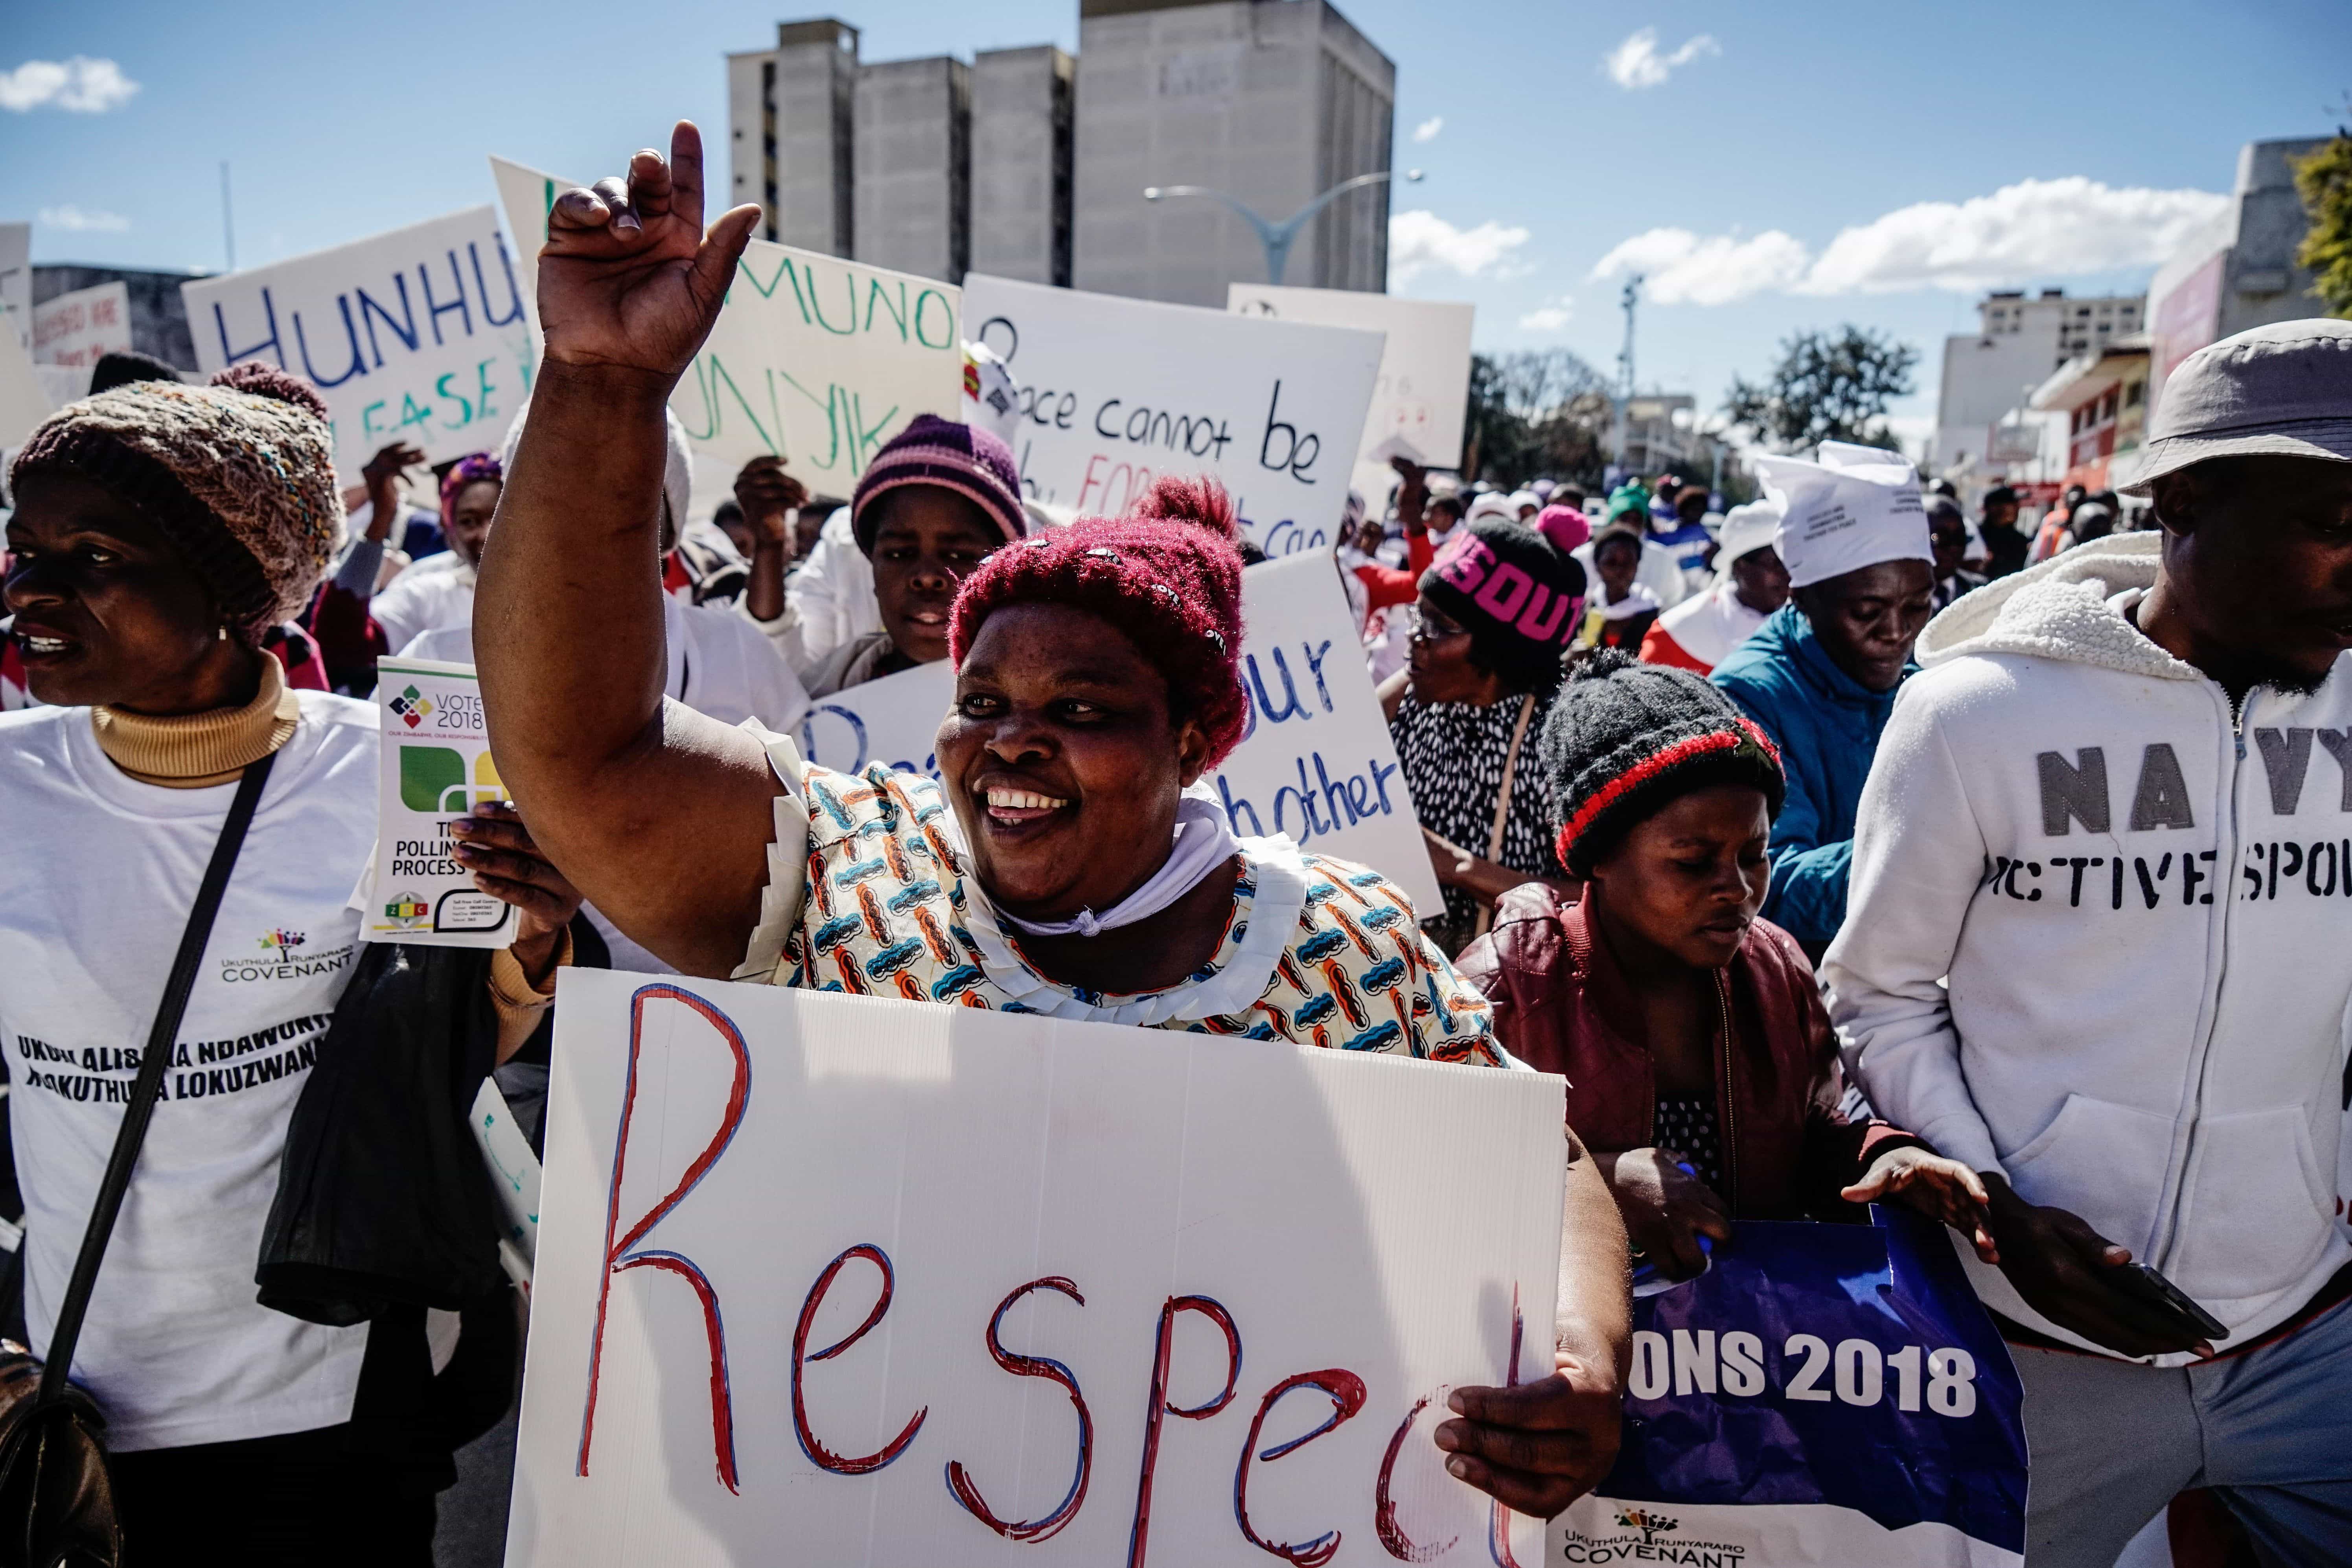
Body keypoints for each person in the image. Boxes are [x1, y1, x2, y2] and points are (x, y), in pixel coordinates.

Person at [471, 128, 1634, 1521]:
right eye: (980, 696)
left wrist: (1583, 1350)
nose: (1009, 736)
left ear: (1196, 741)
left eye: (1081, 704)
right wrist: (602, 390)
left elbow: (1540, 1154)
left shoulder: (1336, 943)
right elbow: (584, 755)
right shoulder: (849, 865)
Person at [1, 365, 579, 1562]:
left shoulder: (391, 772)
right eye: (22, 547)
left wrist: (529, 942)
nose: (30, 587)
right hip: (71, 1405)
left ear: (228, 591)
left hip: (330, 1408)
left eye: (94, 556)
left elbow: (460, 1048)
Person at [1824, 318, 2352, 1568]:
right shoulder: (1973, 714)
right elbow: (1878, 996)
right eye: (2333, 518)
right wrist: (1994, 1205)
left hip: (2311, 1339)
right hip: (2035, 1354)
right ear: (2181, 499)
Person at [1457, 652, 1995, 1277]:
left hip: (1741, 1355)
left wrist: (1881, 1160)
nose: (1736, 888)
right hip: (1571, 1355)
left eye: (1755, 854)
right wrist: (1593, 1181)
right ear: (1596, 858)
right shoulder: (1504, 990)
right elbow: (1440, 1177)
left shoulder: (1776, 966)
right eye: (1691, 862)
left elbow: (1810, 1133)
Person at [1710, 442, 1934, 956]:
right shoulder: (1747, 696)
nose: (1896, 632)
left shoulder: (1917, 680)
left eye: (1917, 605)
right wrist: (1938, 847)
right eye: (1867, 610)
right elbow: (1767, 883)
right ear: (1802, 596)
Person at [1382, 515, 1586, 952]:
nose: (1416, 636)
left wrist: (1454, 866)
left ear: (1499, 652)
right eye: (1418, 614)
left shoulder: (1558, 746)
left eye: (1440, 626)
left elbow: (1594, 898)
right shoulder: (1413, 697)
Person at [744, 414, 1026, 697]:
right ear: (873, 570)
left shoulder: (1041, 703)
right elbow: (771, 682)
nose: (926, 577)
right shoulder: (832, 686)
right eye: (899, 553)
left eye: (957, 554)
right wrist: (769, 548)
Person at [1640, 499, 1787, 674]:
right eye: (1776, 562)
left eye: (1792, 561)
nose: (1788, 572)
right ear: (1740, 565)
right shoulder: (1676, 634)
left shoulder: (1811, 627)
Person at [1578, 484, 1688, 610]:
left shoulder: (1665, 559)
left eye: (1637, 519)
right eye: (1625, 518)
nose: (1631, 524)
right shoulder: (1582, 557)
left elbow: (1673, 602)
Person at [1574, 525, 1661, 651]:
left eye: (1628, 563)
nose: (1620, 571)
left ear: (1637, 565)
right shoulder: (1585, 610)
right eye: (1611, 562)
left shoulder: (1653, 615)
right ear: (1597, 566)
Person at [1648, 480, 1716, 593]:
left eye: (1700, 509)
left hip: (1696, 591)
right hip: (1669, 588)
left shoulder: (1707, 536)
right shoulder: (1669, 532)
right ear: (1683, 508)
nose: (1697, 513)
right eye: (1693, 509)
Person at [1926, 495, 1987, 611]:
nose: (1953, 547)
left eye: (1959, 538)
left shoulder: (1981, 592)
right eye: (1939, 538)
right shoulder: (1896, 598)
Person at [1976, 484, 2031, 579]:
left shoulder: (2019, 540)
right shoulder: (1976, 536)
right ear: (1995, 508)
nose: (2018, 508)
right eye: (2013, 504)